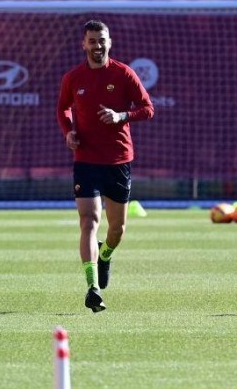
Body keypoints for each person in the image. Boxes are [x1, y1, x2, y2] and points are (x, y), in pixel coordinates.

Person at [57, 20, 154, 313]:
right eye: (92, 41)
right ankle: (92, 287)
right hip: (85, 160)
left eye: (102, 40)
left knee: (118, 229)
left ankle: (106, 256)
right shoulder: (73, 77)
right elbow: (62, 108)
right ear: (83, 44)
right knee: (88, 222)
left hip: (118, 161)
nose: (97, 46)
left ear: (109, 42)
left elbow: (148, 109)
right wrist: (69, 132)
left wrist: (120, 115)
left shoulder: (123, 73)